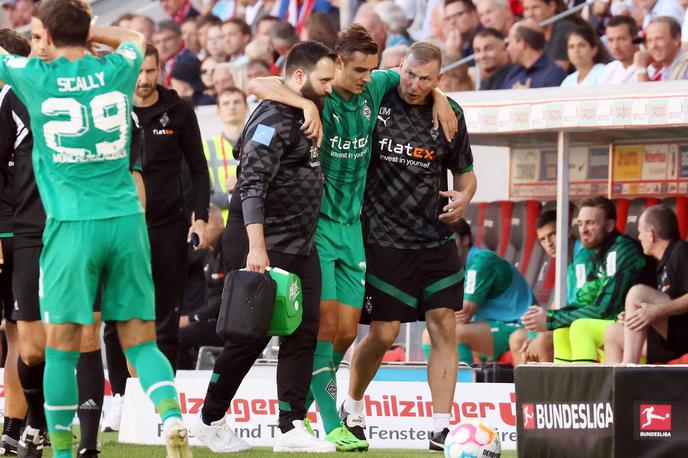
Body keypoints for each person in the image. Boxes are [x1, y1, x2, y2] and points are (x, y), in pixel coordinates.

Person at [248, 23, 458, 451]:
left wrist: (438, 96)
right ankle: (326, 426)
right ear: (338, 63)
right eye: (359, 69)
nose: (367, 77)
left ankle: (292, 420)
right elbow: (255, 81)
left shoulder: (375, 88)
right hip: (319, 225)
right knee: (325, 327)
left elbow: (408, 74)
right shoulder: (319, 96)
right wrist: (301, 106)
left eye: (372, 69)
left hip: (353, 228)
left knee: (345, 333)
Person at [0, 0, 192, 456]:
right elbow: (135, 40)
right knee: (141, 342)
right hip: (126, 222)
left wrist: (46, 38)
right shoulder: (117, 70)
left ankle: (64, 451)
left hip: (71, 226)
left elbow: (10, 55)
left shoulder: (34, 76)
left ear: (44, 32)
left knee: (62, 347)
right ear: (86, 30)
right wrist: (91, 30)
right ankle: (171, 417)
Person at [189, 41, 337, 454]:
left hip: (301, 243)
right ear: (302, 78)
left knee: (304, 330)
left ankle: (290, 428)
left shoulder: (307, 108)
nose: (329, 88)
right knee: (249, 337)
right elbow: (251, 186)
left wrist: (306, 103)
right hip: (261, 240)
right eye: (323, 81)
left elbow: (268, 81)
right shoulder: (272, 120)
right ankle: (209, 419)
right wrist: (257, 248)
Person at [345, 42, 476, 452]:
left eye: (425, 79)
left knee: (443, 323)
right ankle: (352, 404)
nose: (414, 85)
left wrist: (464, 198)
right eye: (409, 74)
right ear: (399, 68)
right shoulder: (379, 94)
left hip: (434, 237)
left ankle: (440, 427)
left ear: (439, 79)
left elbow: (466, 175)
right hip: (382, 236)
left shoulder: (451, 113)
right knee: (384, 333)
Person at [102, 43, 210, 433]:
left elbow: (199, 169)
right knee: (116, 316)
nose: (145, 80)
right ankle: (118, 399)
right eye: (139, 72)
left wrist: (199, 218)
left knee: (166, 318)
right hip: (120, 225)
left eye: (151, 71)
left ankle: (163, 409)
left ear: (159, 70)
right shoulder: (109, 106)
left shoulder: (178, 110)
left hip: (168, 225)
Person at [520, 197, 648, 364]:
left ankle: (585, 388)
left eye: (591, 223)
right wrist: (551, 318)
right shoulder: (598, 254)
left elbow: (604, 309)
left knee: (581, 327)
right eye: (580, 224)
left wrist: (551, 319)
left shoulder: (622, 250)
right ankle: (565, 388)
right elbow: (585, 302)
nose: (583, 230)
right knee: (561, 330)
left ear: (609, 226)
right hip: (617, 324)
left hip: (640, 330)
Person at [508, 209, 594, 365]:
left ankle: (549, 389)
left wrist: (543, 333)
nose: (549, 243)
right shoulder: (564, 259)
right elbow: (558, 304)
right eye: (543, 239)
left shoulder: (583, 256)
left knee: (544, 340)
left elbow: (582, 304)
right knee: (518, 338)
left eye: (553, 234)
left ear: (567, 231)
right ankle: (528, 388)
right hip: (569, 318)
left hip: (586, 319)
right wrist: (535, 334)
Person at [604, 206, 688, 364]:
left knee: (638, 293)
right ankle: (616, 387)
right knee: (613, 332)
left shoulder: (681, 251)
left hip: (683, 333)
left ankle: (628, 367)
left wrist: (657, 310)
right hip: (670, 338)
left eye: (640, 232)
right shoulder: (661, 263)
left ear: (651, 235)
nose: (639, 237)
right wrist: (634, 315)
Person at [0, 28, 30, 457]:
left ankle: (14, 427)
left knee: (18, 332)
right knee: (17, 332)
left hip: (15, 230)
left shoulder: (14, 99)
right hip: (18, 229)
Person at [450, 219, 534, 365]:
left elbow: (463, 313)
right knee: (429, 334)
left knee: (450, 333)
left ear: (465, 239)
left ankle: (464, 386)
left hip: (517, 326)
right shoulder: (453, 268)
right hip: (488, 327)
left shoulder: (481, 260)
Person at [203, 88, 248, 223]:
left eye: (236, 102)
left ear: (246, 107)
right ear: (218, 111)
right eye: (226, 103)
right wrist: (236, 196)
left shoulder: (259, 143)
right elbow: (203, 194)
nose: (232, 107)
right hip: (222, 225)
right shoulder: (206, 146)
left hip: (256, 222)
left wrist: (241, 183)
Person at [502, 20, 567, 89]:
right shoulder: (514, 72)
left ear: (522, 44)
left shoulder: (554, 74)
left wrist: (526, 97)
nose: (508, 48)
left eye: (510, 43)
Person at [522, 0, 577, 70]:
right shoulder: (534, 34)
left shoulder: (564, 29)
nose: (530, 14)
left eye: (535, 7)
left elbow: (556, 73)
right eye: (526, 9)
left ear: (552, 6)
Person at [634, 16, 688, 81]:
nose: (653, 46)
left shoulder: (686, 67)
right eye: (649, 40)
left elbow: (644, 91)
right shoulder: (664, 70)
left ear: (676, 39)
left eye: (659, 39)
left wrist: (641, 69)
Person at [596, 16, 641, 85]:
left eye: (621, 39)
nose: (615, 46)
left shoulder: (650, 67)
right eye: (610, 40)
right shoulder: (608, 69)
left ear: (636, 39)